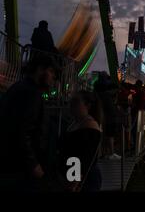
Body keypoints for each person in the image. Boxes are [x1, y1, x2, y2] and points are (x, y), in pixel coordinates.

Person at [0, 55, 57, 191]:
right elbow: (22, 132)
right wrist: (34, 165)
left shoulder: (19, 88)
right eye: (51, 71)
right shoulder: (31, 94)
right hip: (22, 171)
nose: (53, 77)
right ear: (40, 70)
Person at [58, 91, 103, 192]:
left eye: (75, 102)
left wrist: (73, 183)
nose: (71, 105)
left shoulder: (90, 125)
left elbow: (84, 157)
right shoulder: (77, 122)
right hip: (73, 174)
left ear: (87, 105)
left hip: (83, 180)